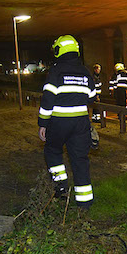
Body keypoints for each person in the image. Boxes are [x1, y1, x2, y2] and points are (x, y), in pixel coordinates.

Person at [38, 35, 96, 208]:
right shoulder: (85, 71)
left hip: (58, 122)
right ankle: (84, 203)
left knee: (53, 151)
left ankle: (61, 188)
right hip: (80, 123)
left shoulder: (55, 71)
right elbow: (92, 97)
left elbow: (47, 100)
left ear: (58, 50)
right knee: (80, 159)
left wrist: (43, 123)